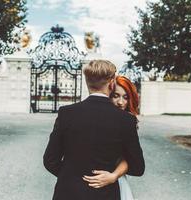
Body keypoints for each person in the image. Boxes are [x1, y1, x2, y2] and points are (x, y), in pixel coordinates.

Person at [43, 60, 145, 200]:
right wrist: (112, 176)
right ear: (111, 83)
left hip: (68, 193)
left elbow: (50, 160)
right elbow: (138, 167)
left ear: (86, 81)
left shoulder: (66, 113)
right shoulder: (125, 120)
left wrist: (73, 178)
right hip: (106, 193)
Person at [82, 75, 140, 200]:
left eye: (125, 97)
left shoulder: (128, 122)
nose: (120, 102)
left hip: (114, 180)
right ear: (108, 94)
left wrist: (113, 176)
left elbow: (129, 159)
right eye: (116, 96)